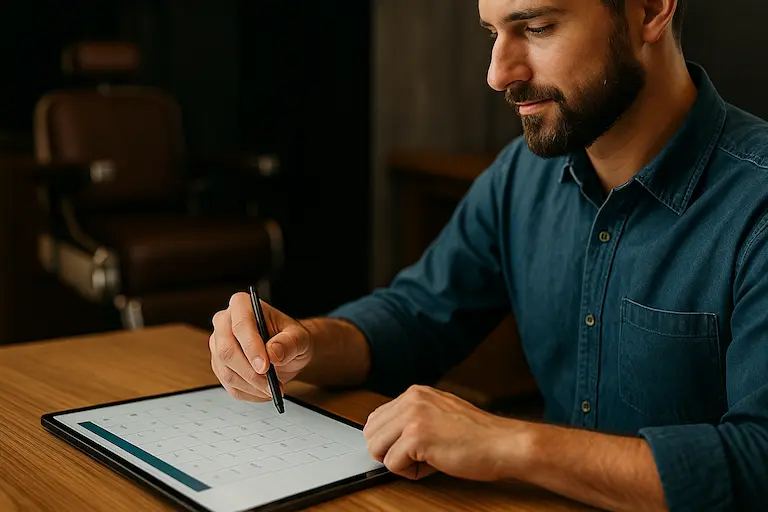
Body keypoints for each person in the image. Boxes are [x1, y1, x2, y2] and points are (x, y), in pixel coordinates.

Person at [209, 0, 768, 510]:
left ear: (649, 10)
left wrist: (508, 443)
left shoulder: (756, 204)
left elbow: (757, 463)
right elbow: (417, 314)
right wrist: (302, 345)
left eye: (537, 28)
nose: (498, 74)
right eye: (492, 33)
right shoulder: (521, 176)